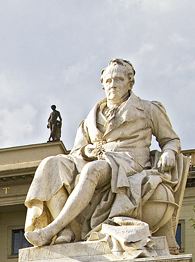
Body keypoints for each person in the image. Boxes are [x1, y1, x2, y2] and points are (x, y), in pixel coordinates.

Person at [23, 58, 181, 247]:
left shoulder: (148, 109)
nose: (112, 85)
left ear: (130, 82)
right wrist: (86, 150)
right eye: (108, 81)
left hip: (128, 163)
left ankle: (52, 229)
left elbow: (170, 140)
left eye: (119, 80)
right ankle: (65, 231)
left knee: (93, 171)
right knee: (51, 164)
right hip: (96, 159)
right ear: (103, 84)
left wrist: (169, 152)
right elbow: (75, 152)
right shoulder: (91, 117)